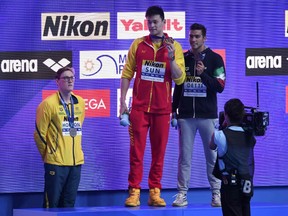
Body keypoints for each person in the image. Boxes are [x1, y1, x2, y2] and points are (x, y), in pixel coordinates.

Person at [119, 5, 186, 207]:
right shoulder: (138, 44)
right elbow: (127, 74)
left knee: (159, 153)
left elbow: (180, 78)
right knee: (136, 153)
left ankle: (155, 192)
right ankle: (134, 191)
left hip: (162, 110)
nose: (153, 25)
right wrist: (122, 102)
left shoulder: (175, 46)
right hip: (139, 109)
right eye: (149, 22)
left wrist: (172, 58)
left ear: (164, 23)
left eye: (156, 21)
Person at [172, 23, 226, 207]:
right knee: (184, 157)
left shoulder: (216, 59)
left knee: (212, 157)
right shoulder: (184, 58)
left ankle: (216, 193)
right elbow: (178, 86)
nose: (193, 40)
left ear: (204, 38)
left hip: (208, 116)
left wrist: (203, 75)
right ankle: (182, 194)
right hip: (186, 116)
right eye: (191, 36)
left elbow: (220, 86)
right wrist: (174, 110)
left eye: (197, 36)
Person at [34, 66, 85, 208]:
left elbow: (78, 127)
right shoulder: (48, 104)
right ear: (57, 81)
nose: (70, 81)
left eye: (72, 78)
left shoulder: (80, 102)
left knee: (69, 205)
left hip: (76, 164)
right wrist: (49, 154)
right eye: (66, 78)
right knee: (52, 204)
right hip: (56, 163)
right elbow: (39, 134)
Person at [209, 98, 256, 216]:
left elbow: (211, 146)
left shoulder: (220, 135)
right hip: (247, 184)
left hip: (230, 187)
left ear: (226, 115)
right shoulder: (249, 136)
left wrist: (222, 126)